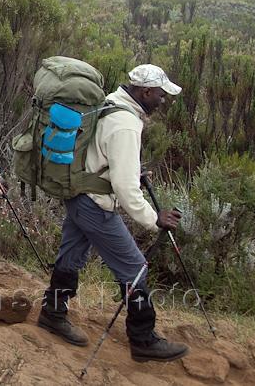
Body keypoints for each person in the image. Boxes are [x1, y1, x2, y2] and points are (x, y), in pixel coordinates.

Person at [37, 64, 189, 363]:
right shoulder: (126, 124)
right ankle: (143, 339)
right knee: (134, 268)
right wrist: (153, 219)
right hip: (96, 204)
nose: (163, 100)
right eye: (160, 95)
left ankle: (53, 313)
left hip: (78, 193)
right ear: (145, 91)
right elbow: (124, 187)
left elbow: (101, 153)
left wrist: (127, 170)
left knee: (71, 255)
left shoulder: (109, 102)